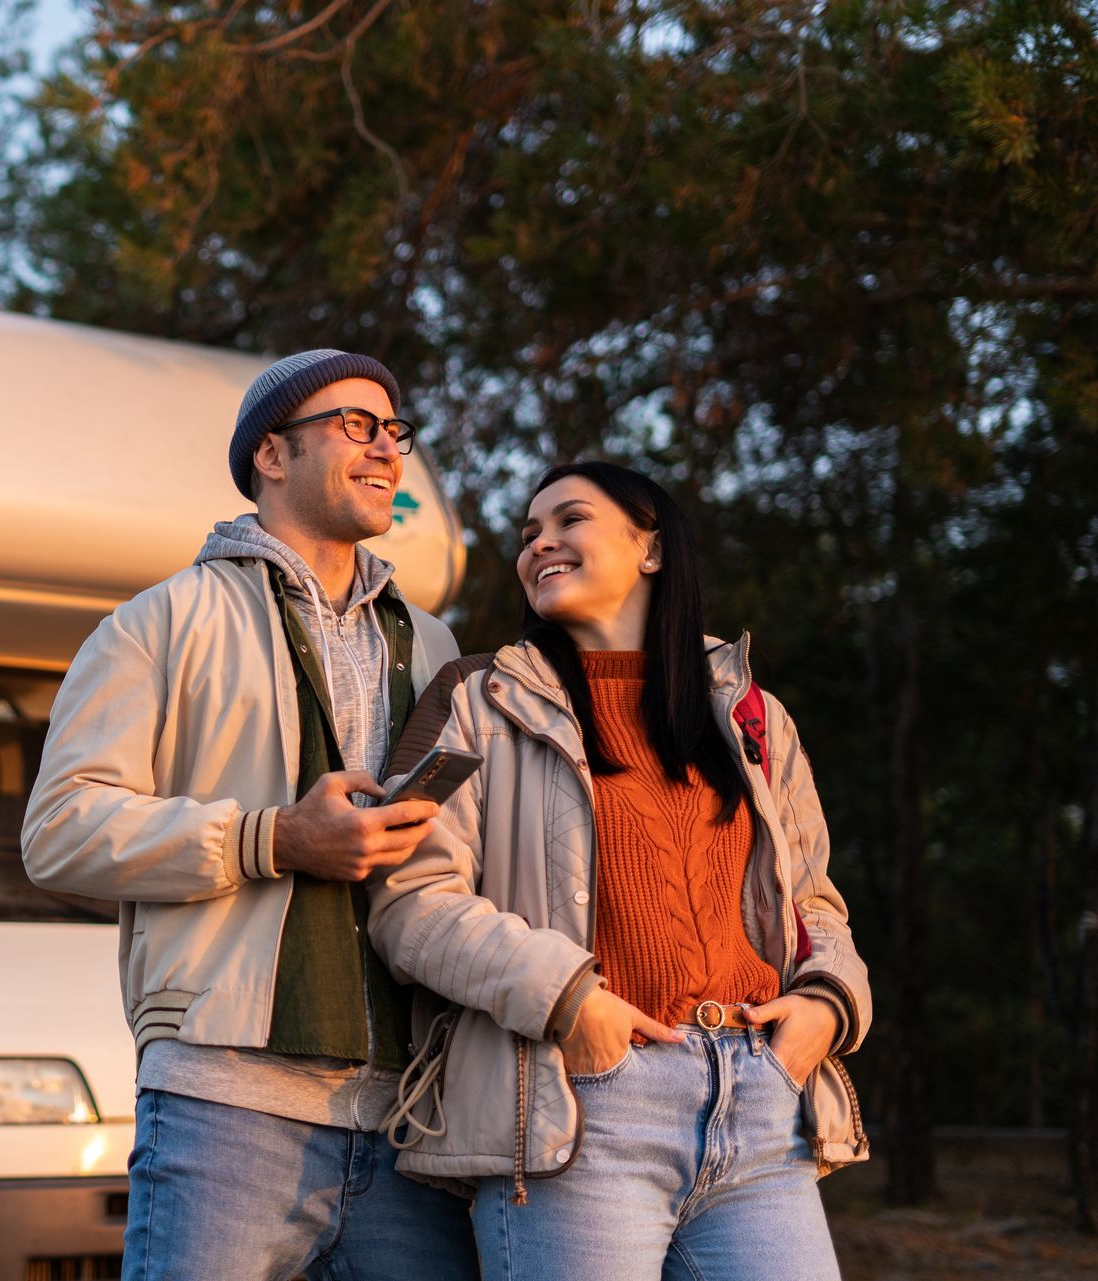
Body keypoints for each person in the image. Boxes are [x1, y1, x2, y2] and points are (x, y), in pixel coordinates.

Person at [23, 350, 478, 1281]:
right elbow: (60, 829)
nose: (387, 448)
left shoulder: (435, 642)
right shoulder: (158, 623)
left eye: (395, 430)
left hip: (413, 1115)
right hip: (226, 1103)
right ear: (272, 454)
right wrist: (271, 838)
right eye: (357, 425)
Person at [368, 461, 870, 1281]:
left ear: (652, 547)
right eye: (529, 534)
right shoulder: (477, 699)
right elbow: (407, 899)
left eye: (570, 520)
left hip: (761, 1098)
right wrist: (570, 1001)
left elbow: (814, 900)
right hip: (581, 1105)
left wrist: (827, 1002)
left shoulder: (753, 715)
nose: (541, 544)